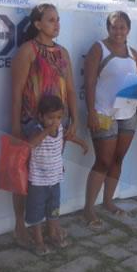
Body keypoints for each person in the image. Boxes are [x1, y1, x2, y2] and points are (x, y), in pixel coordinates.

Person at [11, 3, 78, 247]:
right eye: (51, 20)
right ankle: (21, 226)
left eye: (58, 19)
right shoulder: (27, 51)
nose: (56, 24)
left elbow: (70, 89)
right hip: (31, 125)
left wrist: (74, 120)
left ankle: (53, 227)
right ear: (38, 24)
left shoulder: (63, 52)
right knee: (25, 176)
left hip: (56, 127)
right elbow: (16, 92)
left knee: (50, 176)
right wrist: (16, 127)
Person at [83, 11, 137, 227]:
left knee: (118, 160)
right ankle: (89, 208)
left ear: (129, 29)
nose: (118, 31)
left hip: (127, 114)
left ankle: (108, 201)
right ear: (108, 28)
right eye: (114, 27)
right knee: (103, 161)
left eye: (122, 27)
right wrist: (91, 112)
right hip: (103, 113)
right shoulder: (99, 48)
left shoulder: (133, 53)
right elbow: (89, 83)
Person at [25, 95, 88, 255]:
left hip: (55, 178)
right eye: (50, 118)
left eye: (59, 117)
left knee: (53, 209)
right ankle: (38, 240)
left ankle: (53, 234)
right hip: (38, 181)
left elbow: (69, 137)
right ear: (41, 116)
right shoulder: (36, 130)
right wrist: (46, 130)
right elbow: (31, 144)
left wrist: (82, 143)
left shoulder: (59, 129)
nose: (55, 121)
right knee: (36, 211)